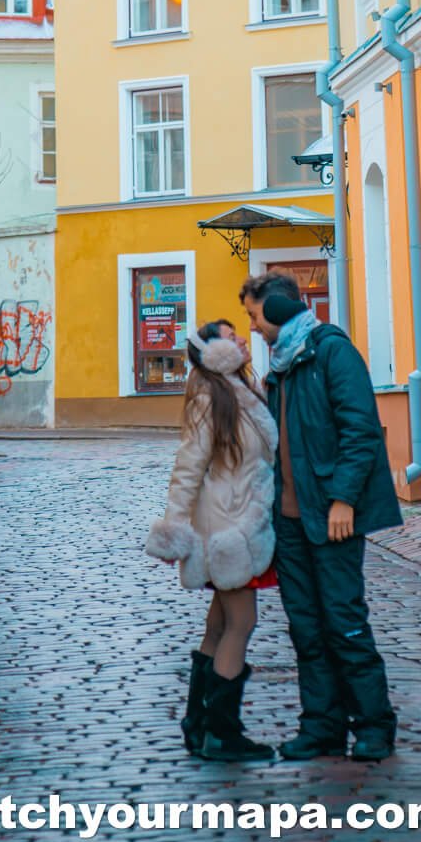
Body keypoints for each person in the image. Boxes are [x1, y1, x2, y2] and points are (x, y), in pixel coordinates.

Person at [241, 271, 402, 762]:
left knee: (344, 623)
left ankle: (374, 726)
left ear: (275, 310)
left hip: (331, 516)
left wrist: (343, 500)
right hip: (289, 522)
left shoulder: (331, 352)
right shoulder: (282, 365)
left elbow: (360, 430)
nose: (254, 328)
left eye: (255, 316)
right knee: (306, 629)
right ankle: (322, 728)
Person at [144, 319, 278, 762]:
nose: (241, 339)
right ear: (215, 351)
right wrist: (173, 530)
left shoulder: (238, 391)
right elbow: (188, 469)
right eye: (231, 335)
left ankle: (198, 721)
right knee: (241, 624)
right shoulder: (210, 399)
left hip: (240, 523)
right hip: (229, 531)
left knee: (219, 625)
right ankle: (222, 732)